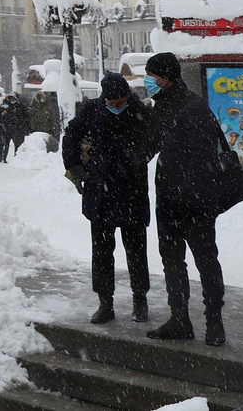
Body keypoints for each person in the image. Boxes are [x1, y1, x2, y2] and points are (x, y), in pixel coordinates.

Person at [142, 52, 227, 346]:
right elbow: (146, 148)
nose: (147, 80)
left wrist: (188, 193)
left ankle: (214, 323)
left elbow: (204, 158)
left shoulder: (194, 107)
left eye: (151, 75)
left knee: (205, 260)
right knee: (173, 261)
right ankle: (180, 319)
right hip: (169, 199)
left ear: (165, 77)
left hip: (195, 202)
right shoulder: (162, 106)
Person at [63, 72, 151, 324]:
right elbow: (70, 136)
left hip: (132, 191)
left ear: (127, 95)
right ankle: (105, 302)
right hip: (100, 193)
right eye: (111, 103)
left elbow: (154, 139)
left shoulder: (140, 112)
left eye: (120, 101)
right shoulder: (91, 110)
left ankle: (139, 299)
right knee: (101, 252)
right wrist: (76, 168)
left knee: (136, 250)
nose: (115, 106)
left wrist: (141, 157)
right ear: (104, 98)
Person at [0, 93, 30, 162]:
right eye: (10, 99)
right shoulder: (5, 106)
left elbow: (26, 117)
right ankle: (3, 157)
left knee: (17, 143)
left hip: (17, 128)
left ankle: (16, 156)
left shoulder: (20, 106)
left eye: (13, 99)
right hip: (6, 127)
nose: (12, 100)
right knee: (5, 143)